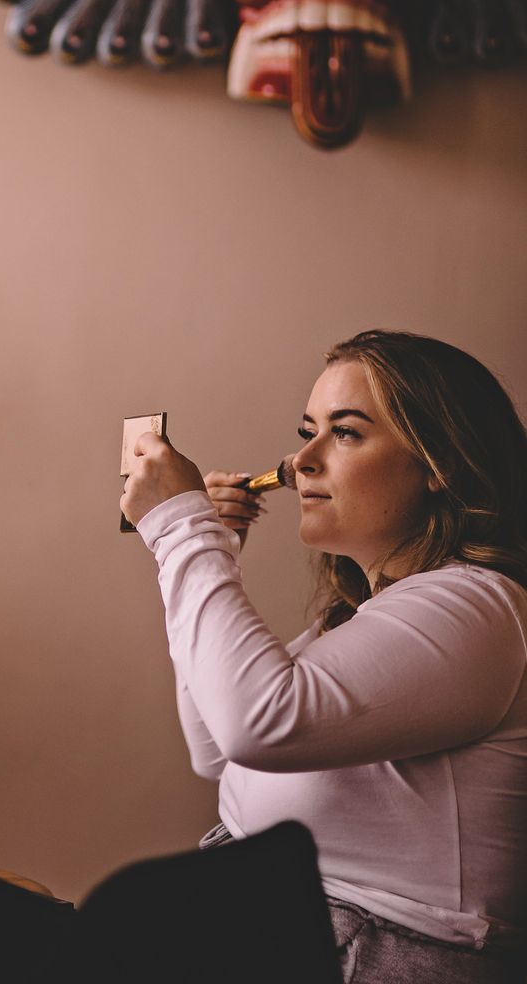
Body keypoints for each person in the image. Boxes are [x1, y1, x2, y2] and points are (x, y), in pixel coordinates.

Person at [120, 330, 527, 984]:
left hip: (380, 954)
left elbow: (255, 723)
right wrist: (207, 548)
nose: (300, 460)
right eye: (307, 430)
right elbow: (216, 748)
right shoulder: (359, 623)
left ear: (437, 463)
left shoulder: (475, 609)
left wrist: (183, 529)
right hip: (295, 929)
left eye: (345, 433)